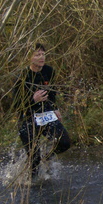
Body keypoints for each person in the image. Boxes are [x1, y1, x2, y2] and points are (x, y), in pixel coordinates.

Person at [12, 43, 71, 178]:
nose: (41, 57)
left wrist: (55, 109)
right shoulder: (22, 76)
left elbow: (52, 93)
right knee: (34, 159)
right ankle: (30, 185)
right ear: (30, 58)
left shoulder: (49, 71)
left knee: (65, 142)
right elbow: (16, 105)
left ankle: (47, 157)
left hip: (46, 114)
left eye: (43, 54)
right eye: (37, 55)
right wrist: (33, 100)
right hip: (27, 117)